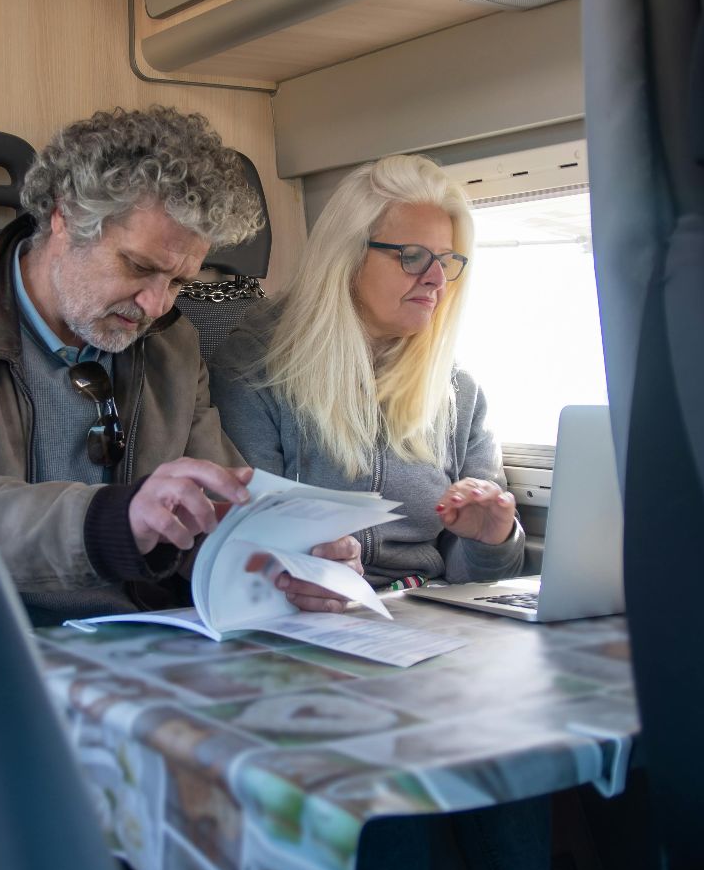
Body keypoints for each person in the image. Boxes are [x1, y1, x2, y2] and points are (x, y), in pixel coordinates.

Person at [0, 106, 361, 623]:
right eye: (139, 267)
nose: (156, 306)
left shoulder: (173, 347)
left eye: (178, 283)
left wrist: (285, 559)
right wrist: (115, 522)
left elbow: (213, 516)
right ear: (64, 217)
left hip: (142, 637)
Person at [209, 154, 525, 590]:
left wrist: (493, 540)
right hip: (305, 615)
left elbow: (478, 584)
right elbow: (240, 545)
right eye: (412, 257)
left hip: (426, 615)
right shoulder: (256, 370)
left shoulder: (458, 392)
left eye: (447, 260)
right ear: (348, 258)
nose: (436, 278)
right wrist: (308, 568)